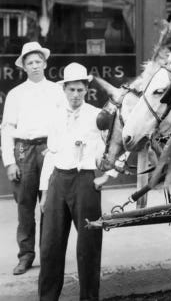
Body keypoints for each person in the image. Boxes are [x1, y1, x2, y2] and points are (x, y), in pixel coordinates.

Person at [38, 63, 107, 300]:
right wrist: (44, 191)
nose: (75, 95)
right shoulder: (55, 115)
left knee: (88, 246)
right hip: (58, 180)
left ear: (86, 89)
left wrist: (106, 174)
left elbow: (106, 151)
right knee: (50, 246)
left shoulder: (98, 115)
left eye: (80, 90)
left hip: (85, 182)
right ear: (64, 89)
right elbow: (51, 153)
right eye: (71, 90)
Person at [1, 42, 65, 275]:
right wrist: (10, 162)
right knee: (25, 206)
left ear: (45, 64)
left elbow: (63, 123)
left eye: (38, 62)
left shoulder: (58, 90)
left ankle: (48, 255)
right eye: (30, 63)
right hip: (24, 152)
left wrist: (58, 151)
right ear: (24, 67)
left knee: (49, 205)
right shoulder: (16, 94)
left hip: (49, 149)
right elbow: (7, 128)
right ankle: (26, 255)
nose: (35, 66)